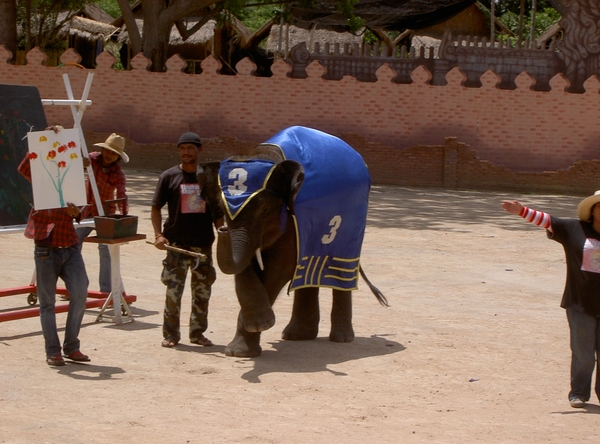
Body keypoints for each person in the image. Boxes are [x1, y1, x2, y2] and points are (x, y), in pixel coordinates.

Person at [501, 192, 600, 409]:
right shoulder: (575, 229)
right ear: (592, 210)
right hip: (580, 304)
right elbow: (548, 220)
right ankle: (579, 393)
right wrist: (522, 211)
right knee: (583, 353)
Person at [18, 142, 91, 366]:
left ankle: (71, 347)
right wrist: (49, 136)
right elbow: (24, 166)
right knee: (47, 302)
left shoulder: (75, 180)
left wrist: (75, 212)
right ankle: (53, 351)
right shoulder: (41, 176)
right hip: (46, 247)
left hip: (69, 245)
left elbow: (81, 210)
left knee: (80, 293)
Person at [150, 132, 223, 348]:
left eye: (190, 148)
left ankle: (197, 333)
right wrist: (158, 235)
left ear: (199, 150)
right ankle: (171, 334)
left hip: (202, 246)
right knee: (173, 292)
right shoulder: (169, 176)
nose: (186, 152)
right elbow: (155, 207)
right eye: (182, 148)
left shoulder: (208, 178)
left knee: (202, 292)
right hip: (176, 246)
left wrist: (223, 232)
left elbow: (218, 212)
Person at [76, 133, 129, 294]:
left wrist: (124, 216)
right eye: (107, 151)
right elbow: (72, 166)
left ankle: (107, 291)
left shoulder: (118, 174)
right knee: (71, 247)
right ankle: (76, 286)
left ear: (117, 157)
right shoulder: (92, 159)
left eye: (113, 153)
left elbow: (121, 196)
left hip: (105, 216)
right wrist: (80, 163)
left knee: (106, 253)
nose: (109, 155)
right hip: (83, 213)